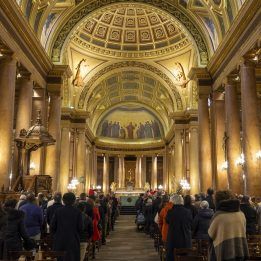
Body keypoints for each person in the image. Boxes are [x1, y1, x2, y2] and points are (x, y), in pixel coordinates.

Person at [208, 190, 249, 261]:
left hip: (224, 253)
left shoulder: (218, 216)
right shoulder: (241, 214)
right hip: (240, 251)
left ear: (217, 201)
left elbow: (210, 234)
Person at [50, 192, 82, 261]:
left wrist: (56, 235)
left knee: (60, 258)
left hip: (60, 240)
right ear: (74, 201)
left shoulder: (58, 211)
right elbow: (80, 227)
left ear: (63, 201)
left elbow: (52, 226)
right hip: (73, 240)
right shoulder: (77, 212)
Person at [166, 194, 193, 261]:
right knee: (185, 257)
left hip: (173, 239)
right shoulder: (188, 212)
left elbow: (167, 221)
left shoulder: (170, 212)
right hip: (185, 238)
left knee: (173, 257)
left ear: (172, 202)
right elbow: (190, 223)